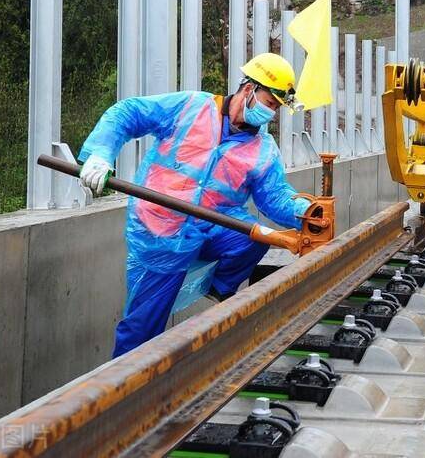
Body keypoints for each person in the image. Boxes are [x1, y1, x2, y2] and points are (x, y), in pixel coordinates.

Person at [77, 53, 311, 357]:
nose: (271, 113)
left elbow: (275, 196)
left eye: (276, 108)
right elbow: (128, 113)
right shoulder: (191, 107)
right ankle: (121, 382)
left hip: (213, 225)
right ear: (248, 89)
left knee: (254, 237)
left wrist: (305, 211)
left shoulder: (263, 149)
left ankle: (219, 288)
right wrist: (100, 153)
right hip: (161, 230)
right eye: (269, 103)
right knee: (142, 327)